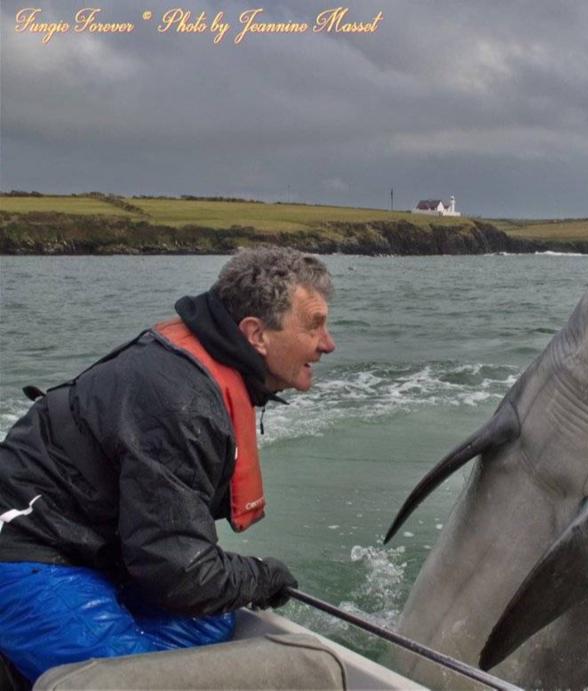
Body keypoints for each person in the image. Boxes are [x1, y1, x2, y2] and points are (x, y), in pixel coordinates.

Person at [0, 245, 336, 684]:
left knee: (213, 620)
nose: (328, 343)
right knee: (132, 680)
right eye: (314, 326)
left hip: (90, 544)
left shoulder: (196, 373)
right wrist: (260, 576)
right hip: (27, 549)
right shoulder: (182, 405)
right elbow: (179, 571)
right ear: (255, 334)